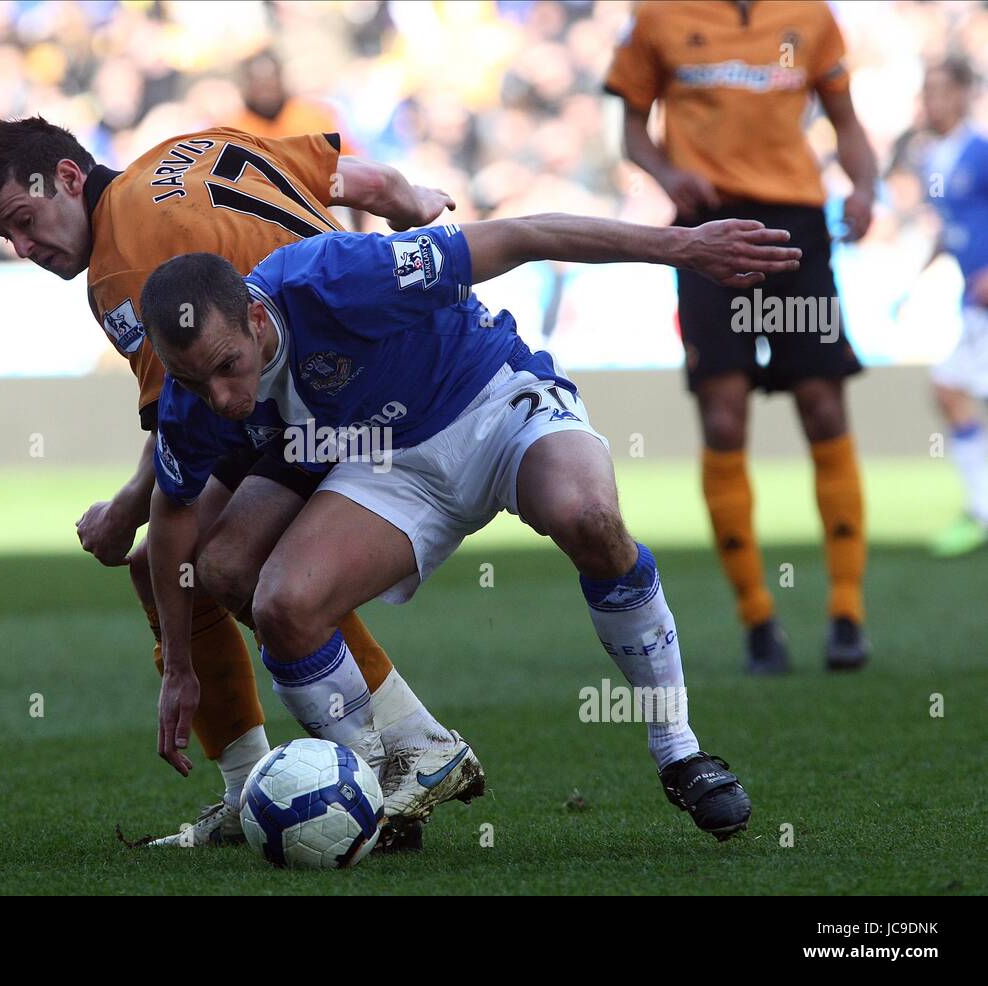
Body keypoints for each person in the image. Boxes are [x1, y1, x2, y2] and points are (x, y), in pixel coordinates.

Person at [141, 214, 803, 840]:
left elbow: (523, 234)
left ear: (257, 317)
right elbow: (171, 517)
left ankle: (678, 749)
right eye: (197, 382)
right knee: (283, 606)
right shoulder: (191, 391)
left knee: (591, 519)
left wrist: (681, 247)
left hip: (495, 402)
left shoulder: (338, 278)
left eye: (229, 367)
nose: (221, 399)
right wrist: (178, 664)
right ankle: (371, 795)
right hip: (390, 462)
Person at [0, 117, 480, 846]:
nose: (23, 247)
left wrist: (119, 511)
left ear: (70, 179)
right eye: (5, 238)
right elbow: (359, 179)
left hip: (330, 381)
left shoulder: (121, 269)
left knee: (222, 564)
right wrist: (413, 202)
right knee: (166, 563)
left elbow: (181, 432)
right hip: (371, 351)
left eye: (24, 220)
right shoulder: (191, 147)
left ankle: (404, 749)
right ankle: (260, 784)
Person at [605, 0, 877, 673]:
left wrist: (866, 185)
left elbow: (846, 121)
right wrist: (668, 176)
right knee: (724, 419)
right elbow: (633, 131)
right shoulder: (658, 17)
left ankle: (846, 610)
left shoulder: (809, 15)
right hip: (707, 230)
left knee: (823, 405)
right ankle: (758, 618)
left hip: (797, 229)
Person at [917, 58, 988, 557]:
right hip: (972, 297)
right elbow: (951, 225)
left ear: (964, 94)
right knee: (952, 390)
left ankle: (981, 510)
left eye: (942, 90)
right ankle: (981, 508)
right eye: (928, 91)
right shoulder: (932, 157)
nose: (933, 100)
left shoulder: (979, 152)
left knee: (950, 387)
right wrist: (925, 267)